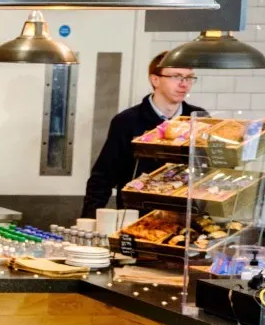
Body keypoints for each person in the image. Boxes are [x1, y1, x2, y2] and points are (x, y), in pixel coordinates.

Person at [81, 52, 206, 218]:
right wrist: (88, 221)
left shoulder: (199, 118)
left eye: (189, 78)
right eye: (176, 77)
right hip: (138, 218)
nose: (185, 84)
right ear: (155, 80)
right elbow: (103, 178)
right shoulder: (127, 121)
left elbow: (207, 169)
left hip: (184, 217)